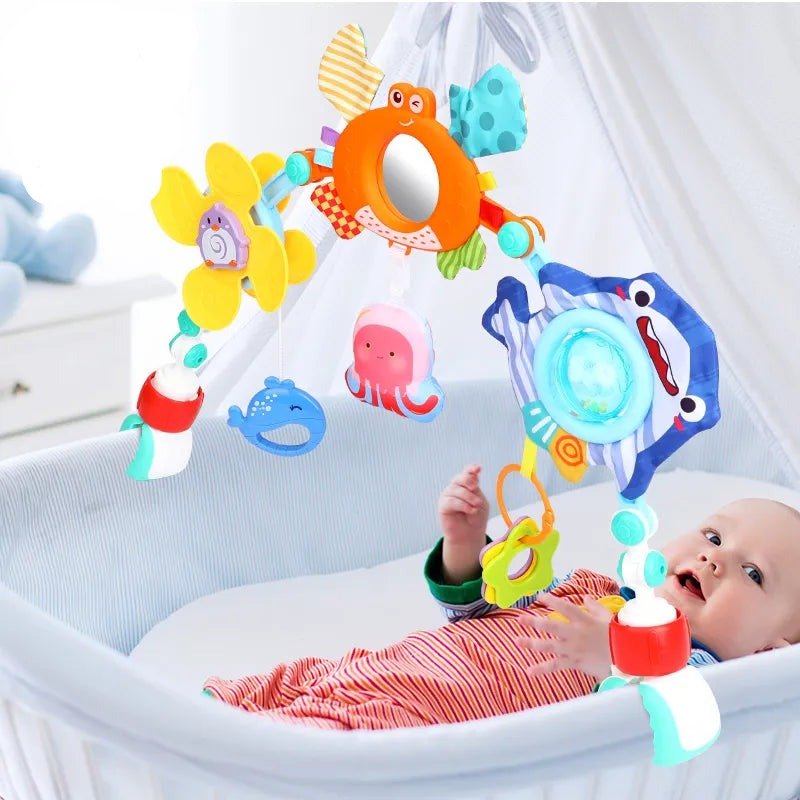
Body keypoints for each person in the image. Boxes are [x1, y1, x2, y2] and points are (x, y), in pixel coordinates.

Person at [203, 465, 800, 730]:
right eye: (714, 535)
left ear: (770, 649)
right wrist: (466, 549)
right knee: (286, 690)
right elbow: (489, 609)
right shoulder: (595, 589)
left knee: (315, 746)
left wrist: (615, 659)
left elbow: (668, 702)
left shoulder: (707, 674)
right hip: (398, 665)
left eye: (753, 574)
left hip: (433, 715)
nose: (714, 558)